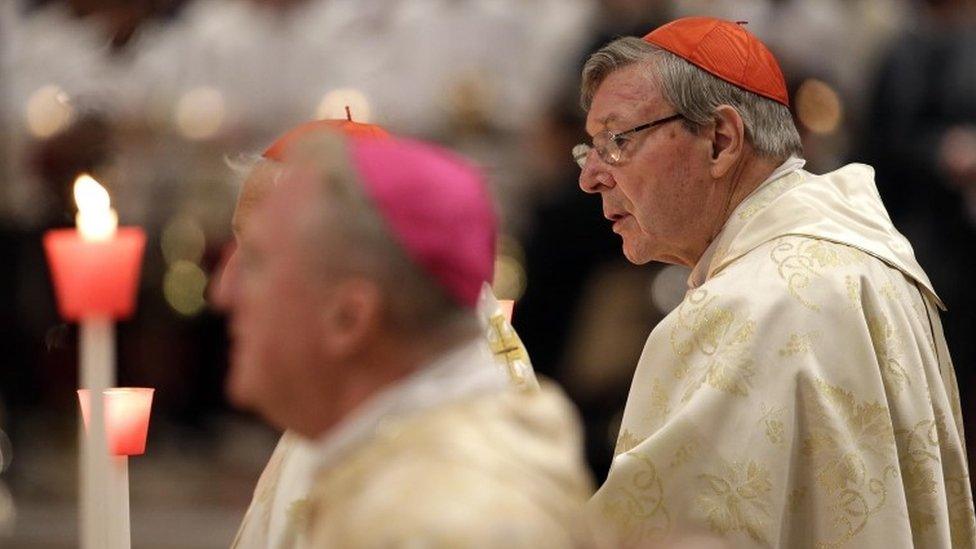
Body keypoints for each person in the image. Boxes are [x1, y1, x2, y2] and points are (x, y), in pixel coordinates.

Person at [575, 16, 976, 548]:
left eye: (617, 140)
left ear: (720, 140)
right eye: (590, 148)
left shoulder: (746, 310)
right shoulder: (867, 257)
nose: (591, 176)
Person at [212, 121, 594, 548]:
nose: (223, 291)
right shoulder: (397, 454)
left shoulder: (433, 524)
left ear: (350, 318)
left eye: (258, 260)